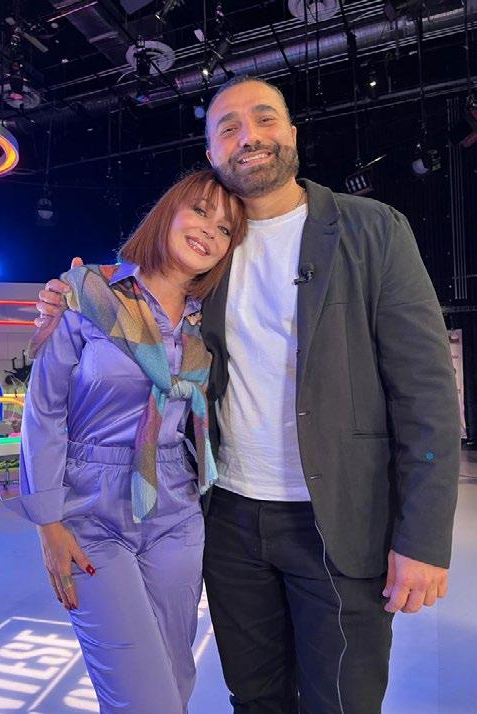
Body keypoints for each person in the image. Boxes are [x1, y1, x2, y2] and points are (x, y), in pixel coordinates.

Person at [34, 76, 460, 714]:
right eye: (228, 127)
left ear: (292, 133)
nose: (249, 136)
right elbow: (136, 310)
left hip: (339, 521)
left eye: (264, 119)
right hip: (225, 518)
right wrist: (69, 295)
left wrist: (422, 537)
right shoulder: (207, 257)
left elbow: (426, 392)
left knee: (343, 701)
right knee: (255, 698)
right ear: (211, 152)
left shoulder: (371, 229)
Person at [13, 168, 247, 714]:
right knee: (142, 698)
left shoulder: (208, 319)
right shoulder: (87, 293)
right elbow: (44, 409)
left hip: (177, 508)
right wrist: (48, 522)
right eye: (200, 211)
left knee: (175, 679)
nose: (209, 231)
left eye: (225, 229)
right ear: (168, 212)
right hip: (88, 508)